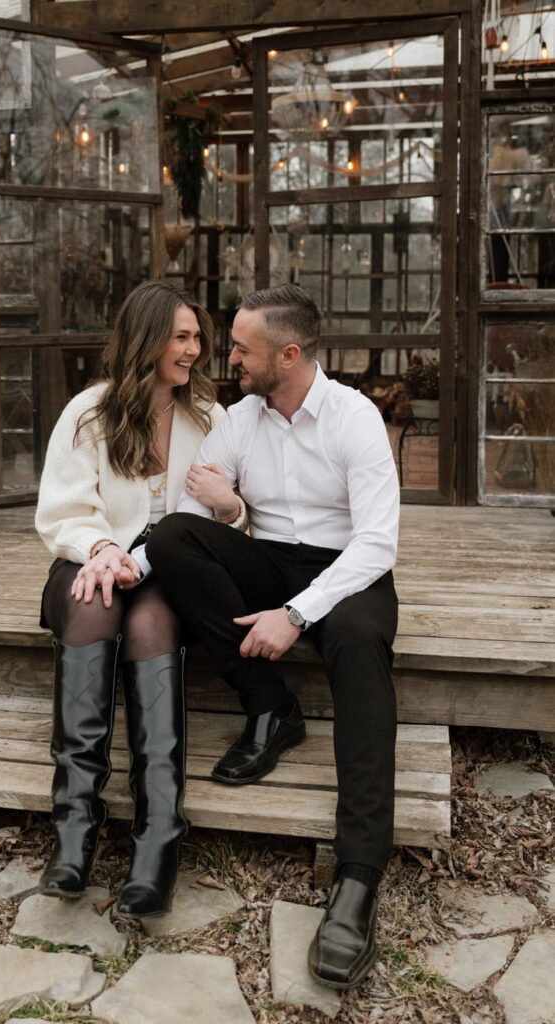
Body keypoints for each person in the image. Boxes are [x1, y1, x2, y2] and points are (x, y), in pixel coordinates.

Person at [145, 284, 400, 987]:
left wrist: (297, 615)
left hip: (348, 572)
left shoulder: (354, 418)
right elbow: (195, 511)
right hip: (270, 558)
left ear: (289, 355)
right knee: (170, 540)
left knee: (357, 645)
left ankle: (357, 877)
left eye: (240, 348)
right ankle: (271, 707)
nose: (226, 358)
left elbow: (377, 545)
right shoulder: (240, 419)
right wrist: (118, 563)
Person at [34, 281, 245, 917]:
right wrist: (100, 550)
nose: (195, 349)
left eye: (198, 337)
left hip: (165, 575)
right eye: (181, 337)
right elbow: (63, 511)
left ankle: (158, 842)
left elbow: (234, 518)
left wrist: (230, 509)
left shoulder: (211, 417)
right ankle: (75, 830)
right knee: (96, 601)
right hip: (90, 565)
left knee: (152, 621)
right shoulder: (89, 413)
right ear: (148, 340)